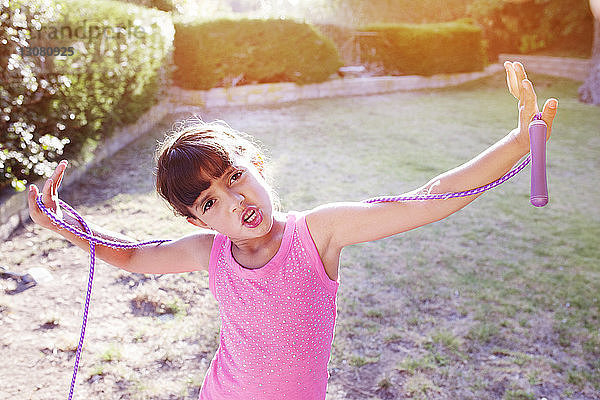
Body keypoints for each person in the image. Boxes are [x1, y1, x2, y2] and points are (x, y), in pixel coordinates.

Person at [28, 62, 558, 399]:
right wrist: (62, 225)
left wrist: (517, 143)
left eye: (236, 177)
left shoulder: (318, 234)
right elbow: (133, 255)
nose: (236, 202)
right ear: (197, 220)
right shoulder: (207, 252)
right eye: (212, 201)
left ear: (257, 163)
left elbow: (428, 198)